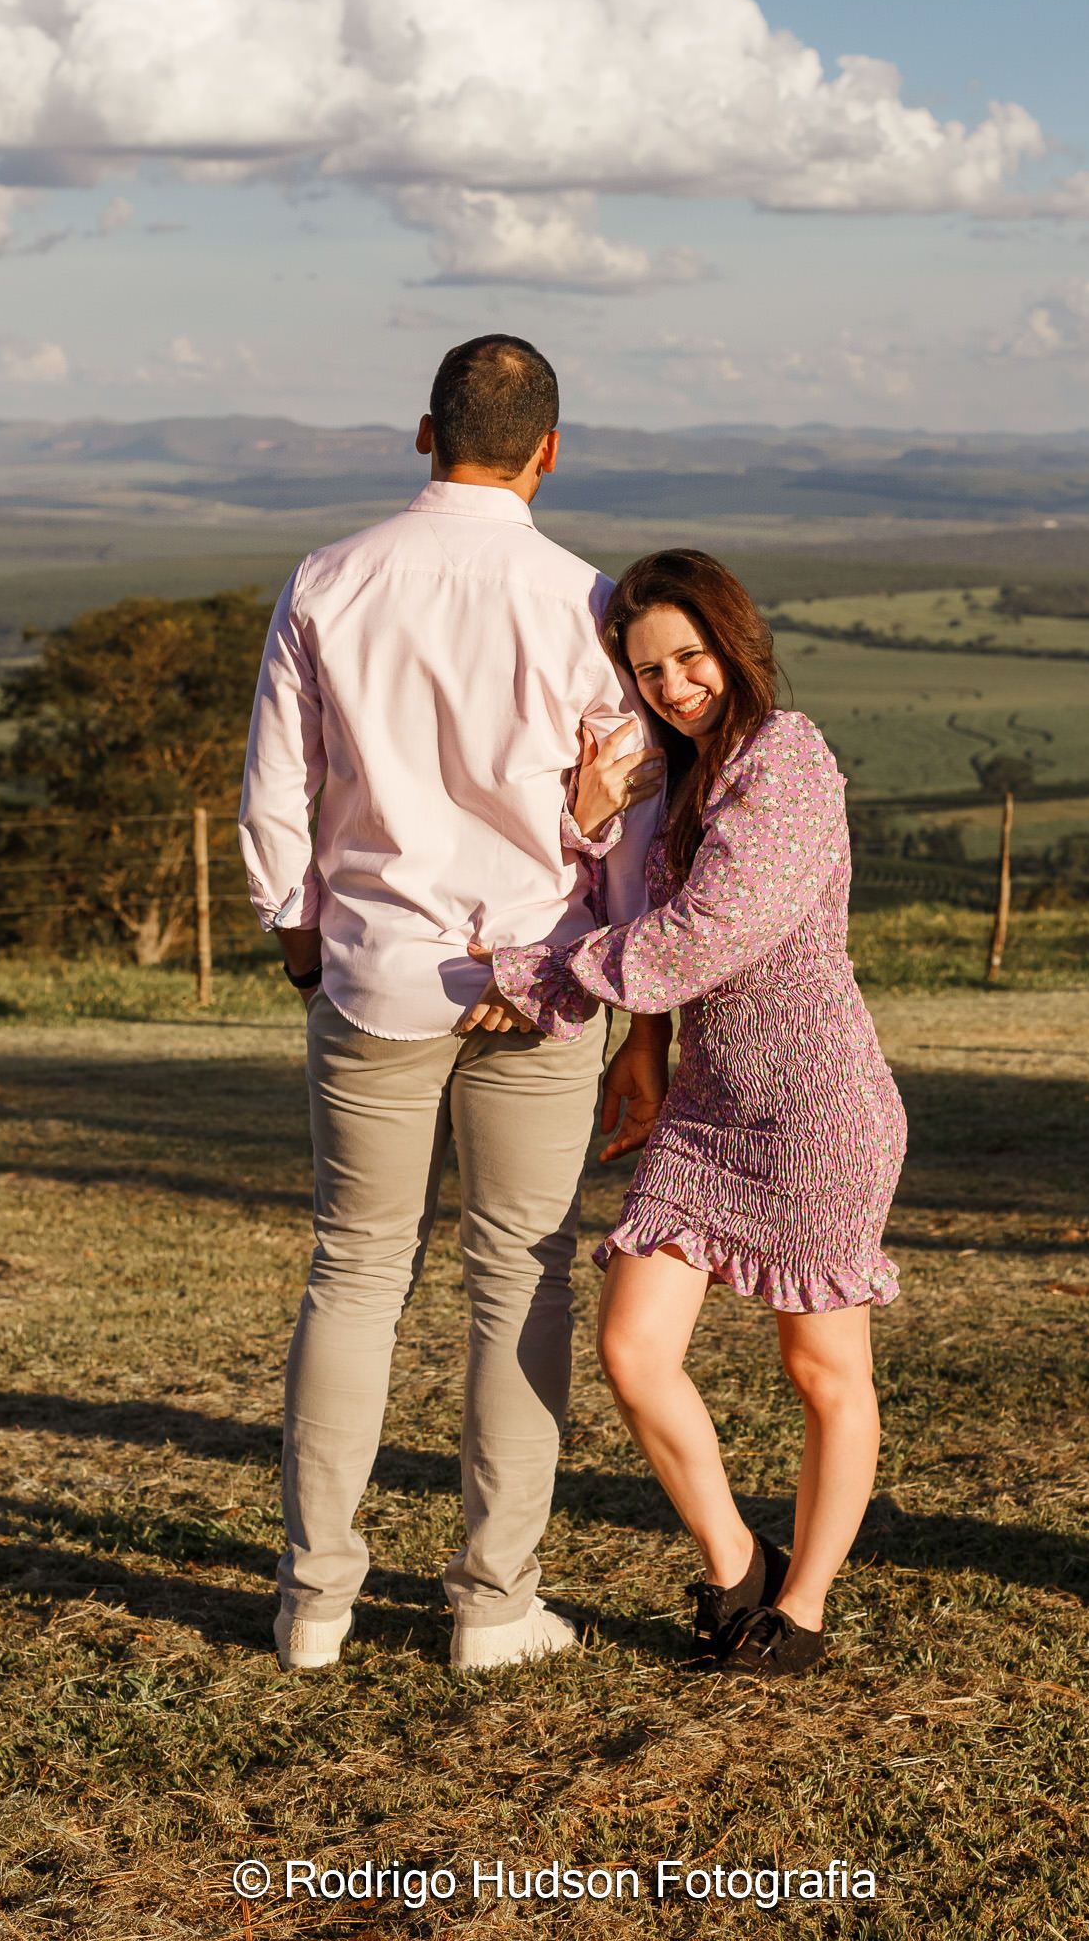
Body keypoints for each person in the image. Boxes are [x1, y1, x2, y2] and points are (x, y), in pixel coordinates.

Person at [239, 335, 668, 1676]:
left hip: (374, 972)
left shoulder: (329, 579)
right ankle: (493, 1602)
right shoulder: (591, 601)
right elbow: (629, 819)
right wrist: (590, 951)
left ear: (422, 434)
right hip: (541, 980)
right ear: (552, 449)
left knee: (355, 1273)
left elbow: (276, 793)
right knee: (520, 1281)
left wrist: (301, 939)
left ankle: (316, 1603)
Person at [464, 549, 907, 1680]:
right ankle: (732, 1565)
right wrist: (594, 817)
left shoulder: (789, 758)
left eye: (687, 656)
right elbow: (639, 910)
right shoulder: (682, 775)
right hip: (707, 1108)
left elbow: (707, 933)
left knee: (822, 1372)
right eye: (645, 667)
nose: (669, 684)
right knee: (631, 1345)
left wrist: (543, 980)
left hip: (817, 1109)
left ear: (733, 644)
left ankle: (799, 1612)